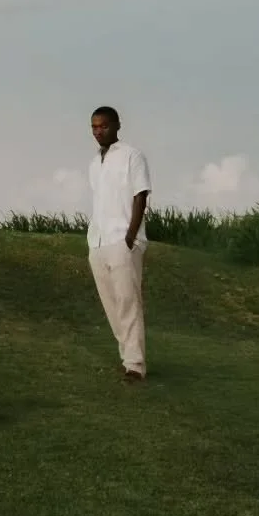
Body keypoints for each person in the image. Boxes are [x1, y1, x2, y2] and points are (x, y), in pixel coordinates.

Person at [87, 105, 151, 382]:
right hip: (98, 242)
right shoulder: (93, 163)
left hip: (123, 240)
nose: (99, 131)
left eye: (104, 126)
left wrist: (130, 236)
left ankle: (135, 364)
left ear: (117, 126)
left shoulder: (132, 156)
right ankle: (127, 356)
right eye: (94, 127)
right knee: (111, 305)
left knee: (128, 302)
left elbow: (140, 196)